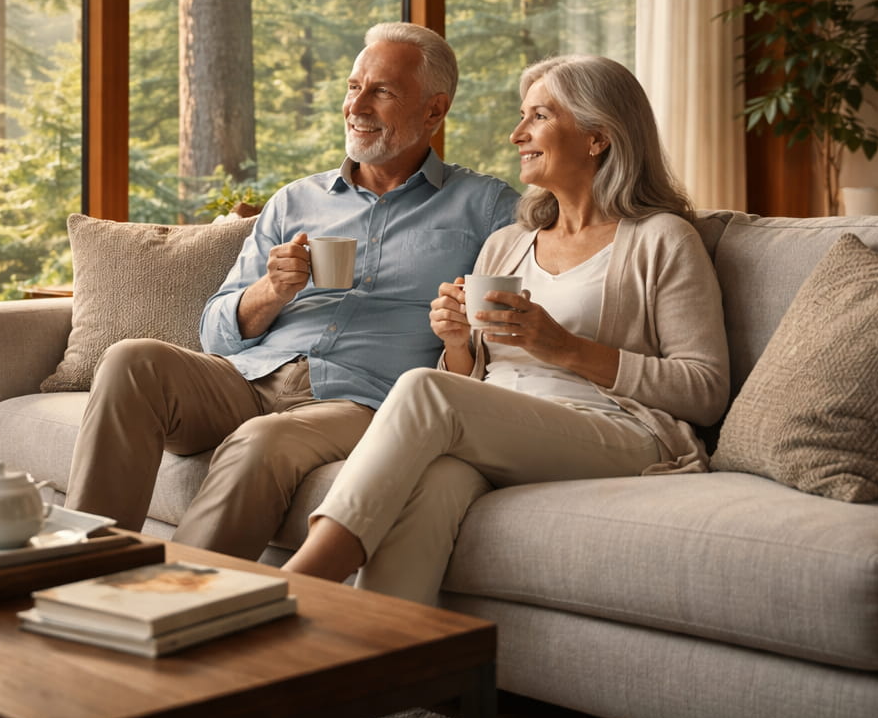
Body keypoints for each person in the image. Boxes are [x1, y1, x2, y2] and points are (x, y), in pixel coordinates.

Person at [282, 53, 731, 605]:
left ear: (597, 137)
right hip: (507, 426)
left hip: (618, 433)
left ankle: (300, 582)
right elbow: (474, 380)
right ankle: (379, 671)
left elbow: (706, 391)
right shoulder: (509, 242)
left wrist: (565, 348)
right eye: (522, 117)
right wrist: (456, 345)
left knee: (423, 388)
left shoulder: (662, 239)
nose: (517, 133)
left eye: (538, 117)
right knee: (436, 484)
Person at [63, 22, 521, 560]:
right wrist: (271, 292)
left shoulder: (487, 208)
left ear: (434, 111)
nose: (357, 105)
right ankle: (80, 567)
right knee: (131, 360)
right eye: (354, 87)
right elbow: (214, 335)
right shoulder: (295, 200)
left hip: (363, 399)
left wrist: (460, 337)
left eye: (382, 91)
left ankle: (177, 600)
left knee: (262, 441)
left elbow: (511, 324)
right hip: (250, 377)